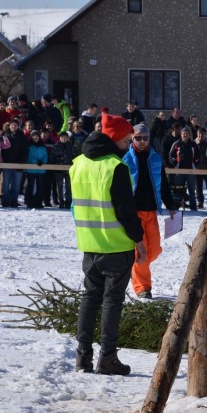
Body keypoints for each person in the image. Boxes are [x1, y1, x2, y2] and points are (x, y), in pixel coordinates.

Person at [70, 113, 146, 375]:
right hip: (116, 246)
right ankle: (108, 358)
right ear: (115, 139)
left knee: (90, 299)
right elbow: (126, 211)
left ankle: (83, 357)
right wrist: (139, 240)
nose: (128, 146)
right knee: (112, 301)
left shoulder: (77, 164)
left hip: (89, 244)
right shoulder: (116, 167)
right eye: (126, 141)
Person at [122, 123, 177, 299]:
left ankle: (135, 269)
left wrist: (171, 206)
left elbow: (164, 184)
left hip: (152, 211)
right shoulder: (125, 160)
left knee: (154, 249)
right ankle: (142, 287)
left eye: (146, 138)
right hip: (134, 212)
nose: (143, 141)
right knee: (141, 253)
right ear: (132, 138)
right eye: (139, 138)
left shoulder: (155, 158)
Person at [169, 127, 200, 211]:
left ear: (189, 135)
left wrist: (195, 164)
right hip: (179, 170)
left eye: (187, 133)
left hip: (190, 170)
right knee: (178, 189)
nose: (185, 135)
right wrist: (175, 163)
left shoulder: (193, 144)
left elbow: (198, 156)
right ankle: (177, 205)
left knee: (191, 189)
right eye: (183, 133)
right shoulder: (176, 144)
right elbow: (171, 156)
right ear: (181, 134)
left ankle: (193, 206)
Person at [49, 131, 75, 208]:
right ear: (59, 138)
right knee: (59, 186)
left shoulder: (71, 147)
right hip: (58, 169)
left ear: (67, 138)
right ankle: (61, 201)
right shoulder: (56, 147)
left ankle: (68, 201)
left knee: (68, 186)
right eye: (62, 137)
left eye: (65, 137)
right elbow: (52, 157)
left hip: (69, 169)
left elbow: (75, 157)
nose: (63, 139)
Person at [25, 130, 48, 209]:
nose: (35, 137)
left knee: (40, 186)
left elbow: (45, 156)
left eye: (37, 136)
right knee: (30, 186)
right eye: (33, 136)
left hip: (41, 170)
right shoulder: (29, 146)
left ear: (39, 137)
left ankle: (38, 202)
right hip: (31, 169)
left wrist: (43, 162)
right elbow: (28, 157)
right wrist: (36, 162)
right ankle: (30, 202)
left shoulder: (43, 146)